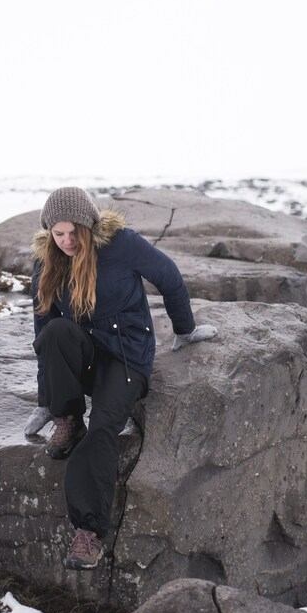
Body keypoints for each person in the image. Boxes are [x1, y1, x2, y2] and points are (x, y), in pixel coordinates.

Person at [24, 187, 218, 570]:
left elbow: (169, 276)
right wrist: (48, 399)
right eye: (57, 233)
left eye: (73, 232)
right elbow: (43, 326)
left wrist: (185, 330)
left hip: (126, 358)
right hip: (87, 357)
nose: (66, 241)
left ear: (89, 224)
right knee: (55, 333)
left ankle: (89, 533)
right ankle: (68, 419)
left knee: (104, 429)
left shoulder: (121, 244)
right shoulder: (47, 259)